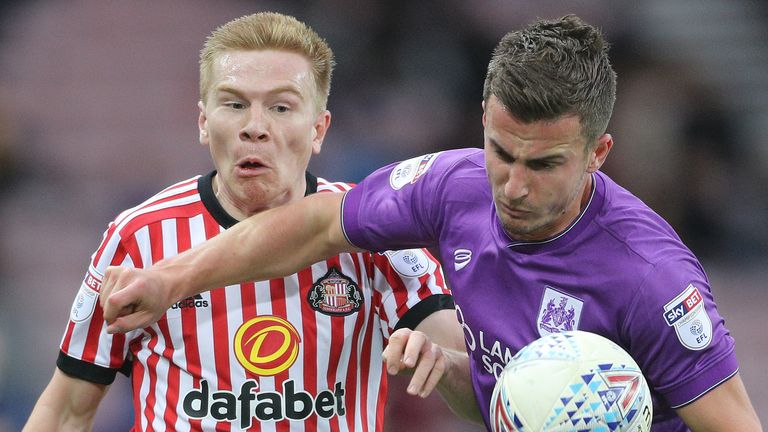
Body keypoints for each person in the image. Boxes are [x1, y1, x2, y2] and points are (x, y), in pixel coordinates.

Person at [97, 15, 763, 432]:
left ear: (599, 154)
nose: (514, 184)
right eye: (502, 152)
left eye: (546, 163)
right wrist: (170, 279)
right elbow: (316, 225)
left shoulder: (651, 282)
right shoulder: (454, 187)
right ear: (483, 123)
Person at [24, 12, 466, 431]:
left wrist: (443, 363)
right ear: (203, 121)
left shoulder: (372, 231)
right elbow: (65, 412)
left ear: (318, 129)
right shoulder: (139, 237)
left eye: (280, 108)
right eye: (234, 104)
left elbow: (476, 393)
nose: (254, 127)